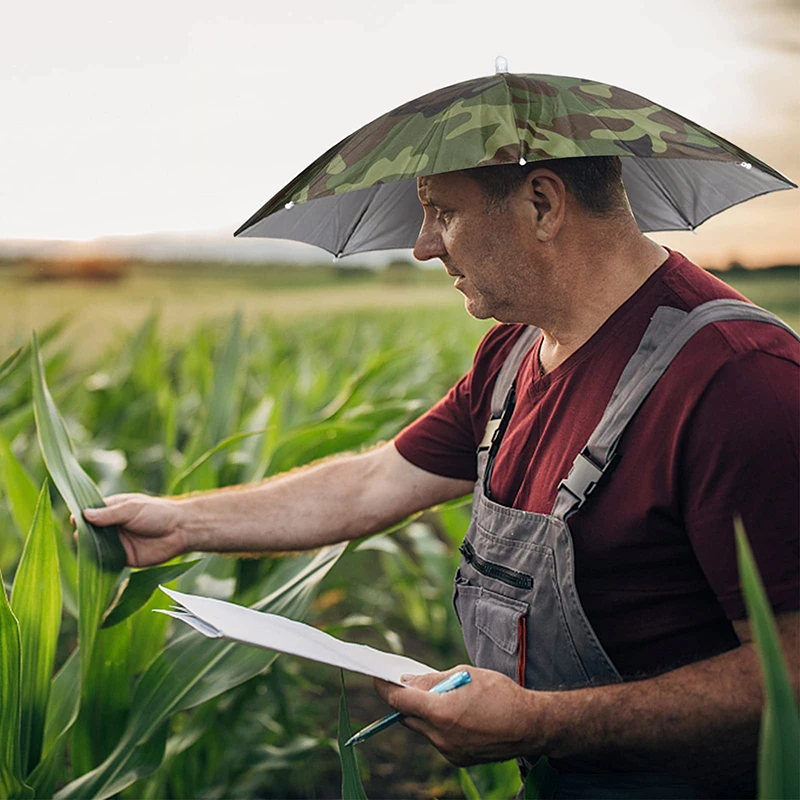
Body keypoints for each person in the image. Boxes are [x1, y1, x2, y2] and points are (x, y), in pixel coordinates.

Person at [82, 156, 799, 799]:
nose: (424, 244)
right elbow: (374, 482)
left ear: (542, 204)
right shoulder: (515, 356)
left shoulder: (740, 382)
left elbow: (792, 675)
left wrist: (542, 722)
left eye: (442, 212)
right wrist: (182, 523)